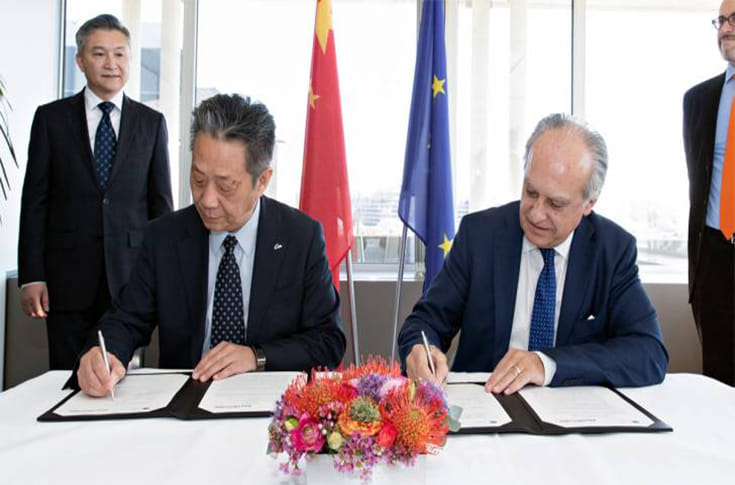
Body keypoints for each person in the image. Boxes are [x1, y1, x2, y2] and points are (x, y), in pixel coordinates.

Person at [76, 93, 346, 397]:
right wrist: (104, 354)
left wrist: (256, 356)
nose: (207, 200)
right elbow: (126, 320)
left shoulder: (301, 237)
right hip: (184, 400)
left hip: (269, 403)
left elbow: (328, 342)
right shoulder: (164, 237)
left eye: (225, 186)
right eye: (199, 179)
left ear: (262, 181)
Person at [399, 113, 668, 394]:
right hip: (485, 401)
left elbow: (649, 353)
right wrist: (420, 349)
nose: (536, 214)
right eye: (530, 192)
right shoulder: (479, 235)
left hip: (569, 409)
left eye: (555, 204)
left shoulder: (612, 250)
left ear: (589, 203)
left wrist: (546, 364)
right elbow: (425, 322)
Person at [18, 14, 173, 370]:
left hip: (130, 280)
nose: (111, 63)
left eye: (120, 54)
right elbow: (35, 203)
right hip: (67, 282)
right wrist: (32, 275)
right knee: (67, 378)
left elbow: (161, 207)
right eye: (99, 53)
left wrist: (165, 276)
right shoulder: (51, 119)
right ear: (80, 60)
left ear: (130, 60)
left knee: (124, 379)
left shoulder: (151, 123)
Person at [682, 0, 735, 386]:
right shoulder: (698, 100)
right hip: (714, 257)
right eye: (720, 20)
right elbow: (697, 183)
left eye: (734, 19)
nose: (725, 28)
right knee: (718, 378)